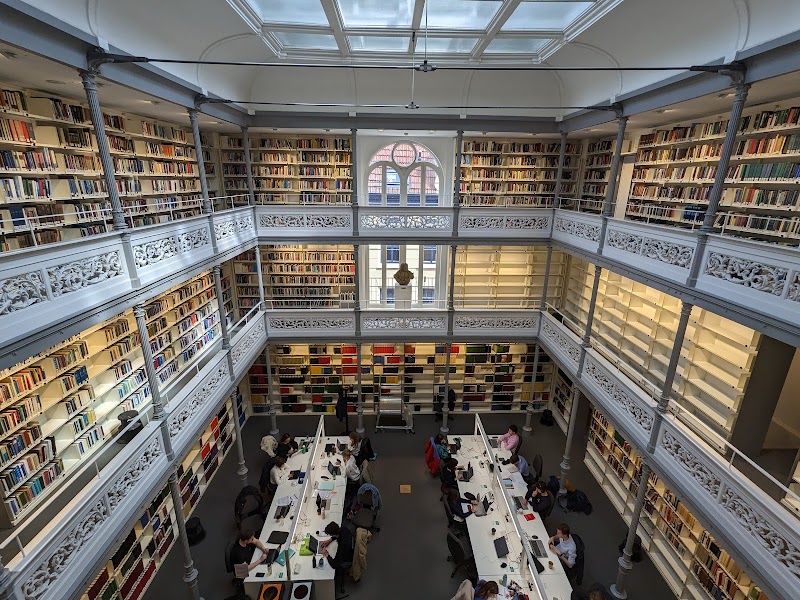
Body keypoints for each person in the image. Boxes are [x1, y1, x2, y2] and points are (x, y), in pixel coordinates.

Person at [320, 521, 355, 594]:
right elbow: (339, 536)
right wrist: (330, 540)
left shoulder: (342, 547)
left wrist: (326, 554)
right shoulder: (343, 529)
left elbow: (334, 565)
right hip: (350, 550)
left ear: (333, 534)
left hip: (347, 560)